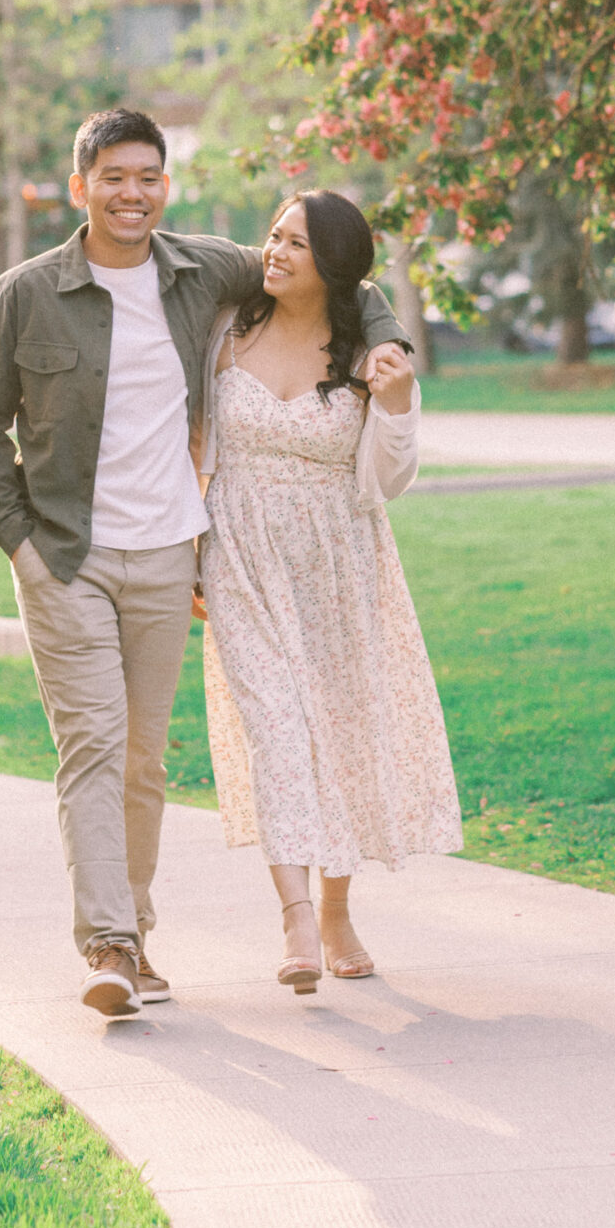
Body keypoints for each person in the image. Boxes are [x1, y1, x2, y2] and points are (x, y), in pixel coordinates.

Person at [0, 108, 410, 1019]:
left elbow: (335, 265)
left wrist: (389, 336)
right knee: (91, 745)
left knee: (143, 759)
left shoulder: (203, 271)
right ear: (80, 186)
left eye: (147, 177)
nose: (132, 193)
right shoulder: (28, 291)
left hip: (167, 552)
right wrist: (20, 541)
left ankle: (138, 935)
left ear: (165, 186)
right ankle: (109, 943)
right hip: (67, 552)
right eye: (113, 177)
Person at [195, 190, 462, 991]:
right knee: (276, 727)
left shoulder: (365, 349)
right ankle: (296, 922)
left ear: (335, 268)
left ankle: (338, 908)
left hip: (339, 562)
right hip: (239, 554)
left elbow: (389, 476)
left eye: (295, 245)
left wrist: (398, 402)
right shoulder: (224, 327)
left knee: (338, 735)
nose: (272, 253)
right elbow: (196, 441)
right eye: (271, 235)